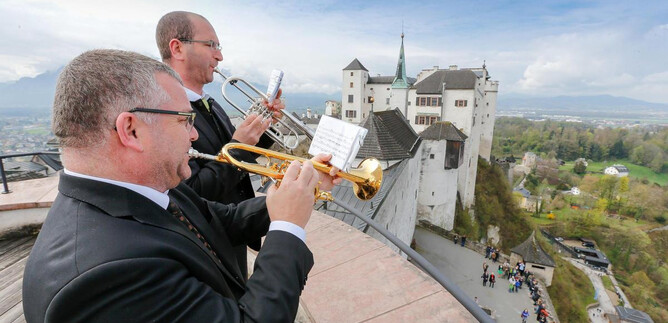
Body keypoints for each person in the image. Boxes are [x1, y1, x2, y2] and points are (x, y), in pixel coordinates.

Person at [22, 49, 338, 322]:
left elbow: (220, 220)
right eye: (184, 120)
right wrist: (286, 230)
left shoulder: (147, 185)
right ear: (131, 130)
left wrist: (297, 193)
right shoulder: (106, 276)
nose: (194, 134)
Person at [156, 11, 284, 280]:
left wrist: (262, 127)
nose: (220, 56)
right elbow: (191, 191)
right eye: (211, 45)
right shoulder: (166, 114)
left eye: (219, 47)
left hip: (232, 232)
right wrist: (239, 144)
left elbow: (232, 157)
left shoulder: (211, 104)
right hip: (206, 243)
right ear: (177, 48)